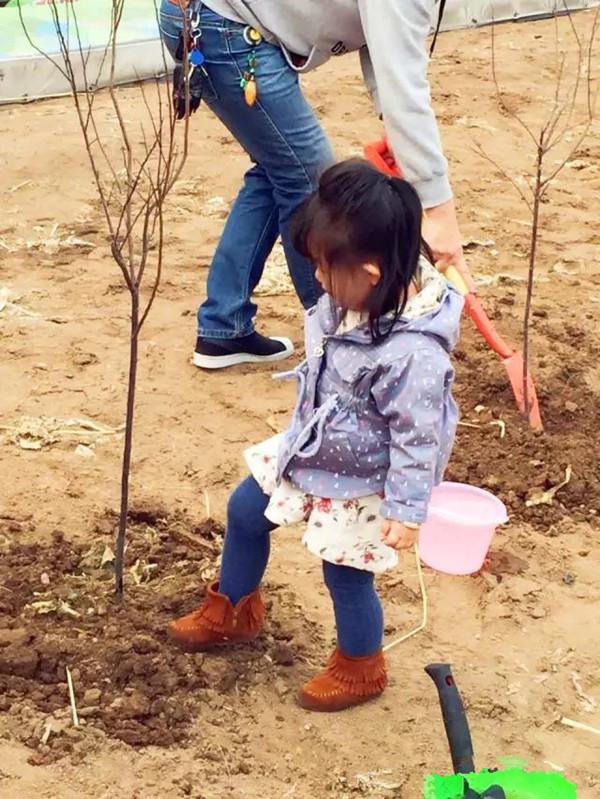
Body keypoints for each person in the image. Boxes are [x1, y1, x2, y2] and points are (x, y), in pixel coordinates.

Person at [169, 159, 463, 711]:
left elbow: (420, 438)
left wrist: (406, 508)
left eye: (326, 270)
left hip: (360, 478)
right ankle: (233, 609)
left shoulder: (414, 356)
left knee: (345, 573)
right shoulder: (349, 305)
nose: (319, 281)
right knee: (243, 510)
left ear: (372, 273)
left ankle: (360, 668)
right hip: (309, 445)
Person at [159, 0, 467, 370]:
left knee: (280, 163)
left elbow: (384, 48)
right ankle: (336, 342)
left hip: (221, 18)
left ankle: (224, 326)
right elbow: (404, 82)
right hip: (220, 23)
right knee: (310, 179)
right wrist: (439, 209)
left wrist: (398, 131)